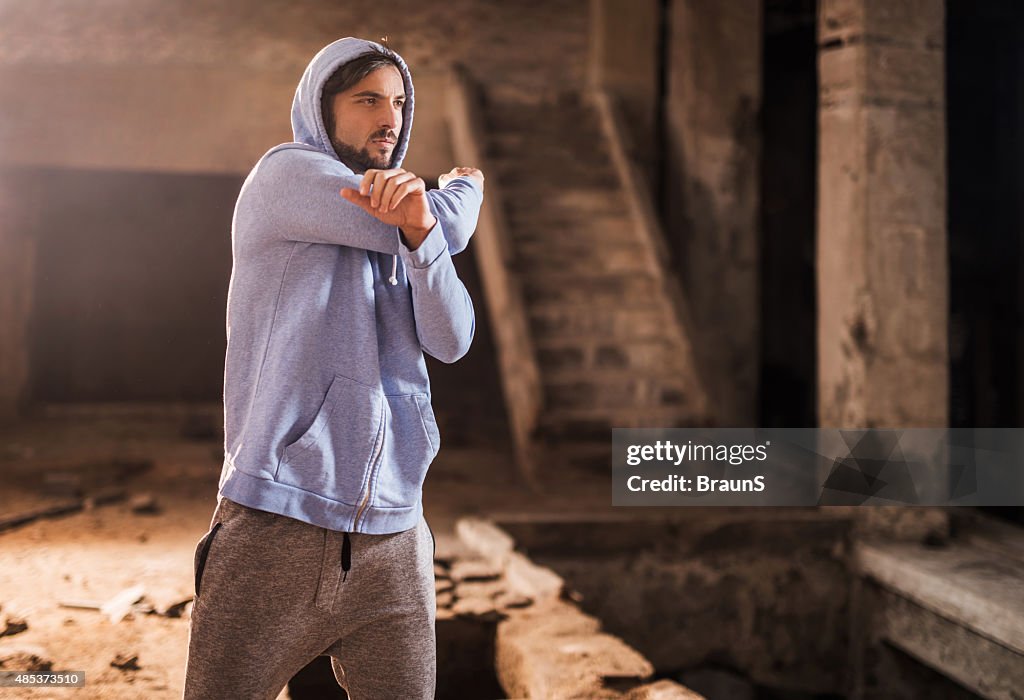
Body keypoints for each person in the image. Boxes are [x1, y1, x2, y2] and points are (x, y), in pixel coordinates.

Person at [182, 37, 484, 699]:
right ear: (324, 107)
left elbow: (453, 338)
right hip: (275, 524)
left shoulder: (402, 231)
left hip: (396, 538)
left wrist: (421, 242)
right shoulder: (286, 176)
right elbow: (453, 222)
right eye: (368, 99)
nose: (391, 118)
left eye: (400, 102)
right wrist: (462, 189)